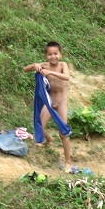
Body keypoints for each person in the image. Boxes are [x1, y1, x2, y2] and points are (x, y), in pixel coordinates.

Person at [24, 41, 73, 173]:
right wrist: (34, 66)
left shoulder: (63, 65)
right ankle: (49, 139)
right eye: (50, 54)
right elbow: (25, 69)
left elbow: (67, 77)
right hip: (50, 102)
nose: (53, 57)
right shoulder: (44, 66)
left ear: (60, 54)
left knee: (63, 132)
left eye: (56, 54)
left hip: (61, 102)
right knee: (40, 126)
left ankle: (68, 162)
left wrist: (50, 73)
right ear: (46, 56)